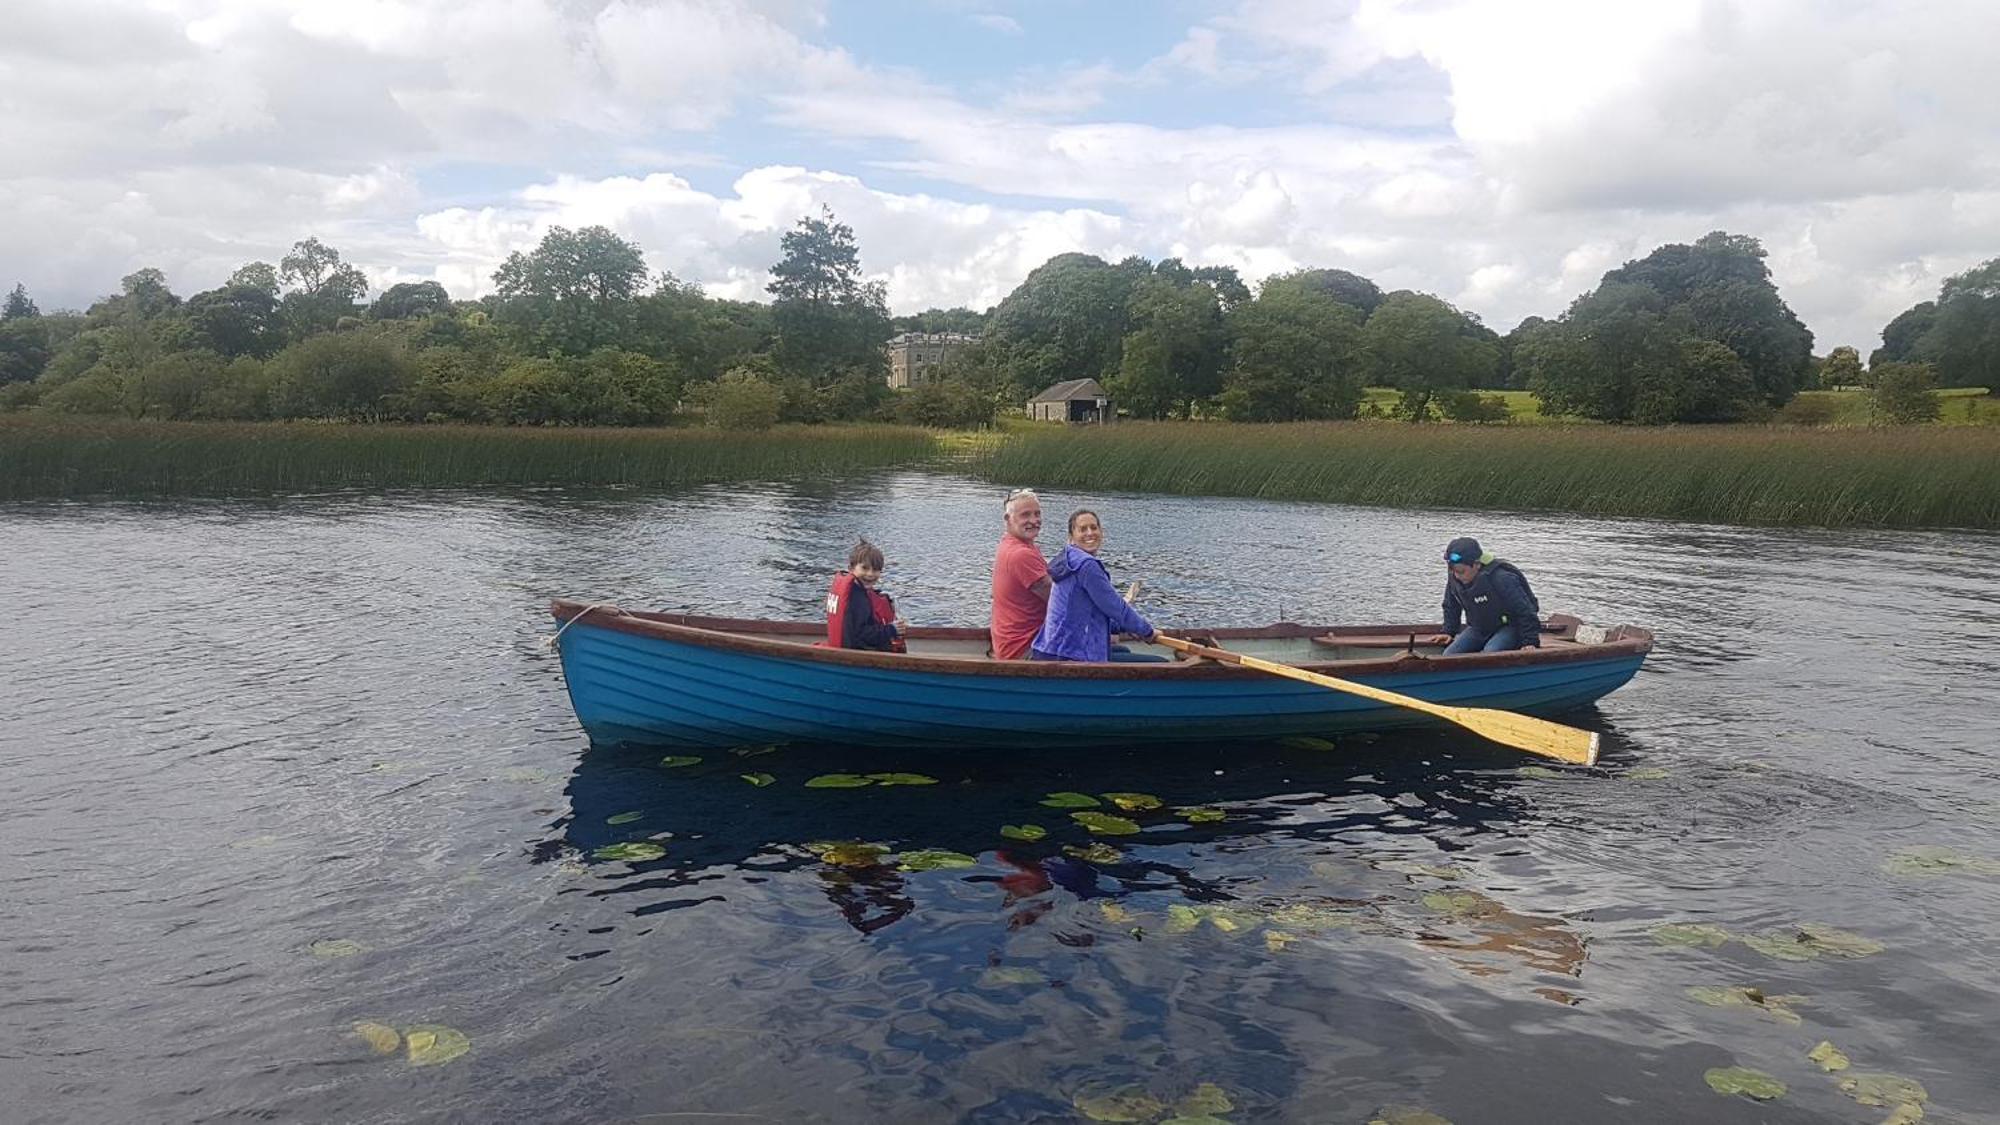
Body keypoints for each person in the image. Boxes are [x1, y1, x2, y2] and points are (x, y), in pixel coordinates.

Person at [1031, 509, 1163, 662]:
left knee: (1123, 649)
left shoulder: (1070, 559)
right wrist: (1147, 632)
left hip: (1050, 647)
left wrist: (1126, 627)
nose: (1089, 533)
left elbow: (1092, 612)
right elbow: (1115, 606)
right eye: (1082, 529)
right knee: (1161, 663)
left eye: (1094, 528)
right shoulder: (1086, 566)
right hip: (1066, 653)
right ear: (1071, 538)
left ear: (1101, 532)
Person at [1428, 536, 1541, 654]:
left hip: (1510, 627)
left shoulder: (1501, 578)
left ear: (1476, 564)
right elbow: (1451, 605)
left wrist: (1530, 641)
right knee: (1449, 654)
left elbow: (1525, 610)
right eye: (1454, 571)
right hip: (1479, 628)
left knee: (1490, 652)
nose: (1457, 576)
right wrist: (1448, 632)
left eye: (1461, 571)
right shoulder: (1455, 578)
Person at [989, 489, 1051, 660]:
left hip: (1014, 643)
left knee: (1119, 651)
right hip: (1024, 649)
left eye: (1037, 514)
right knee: (1122, 658)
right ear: (1008, 519)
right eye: (1025, 515)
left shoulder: (1012, 544)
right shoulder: (1021, 554)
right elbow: (1061, 601)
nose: (1034, 520)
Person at [825, 539, 908, 653]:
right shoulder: (857, 599)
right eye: (865, 568)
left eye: (876, 570)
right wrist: (891, 629)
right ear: (851, 568)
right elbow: (862, 635)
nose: (870, 574)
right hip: (858, 653)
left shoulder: (852, 591)